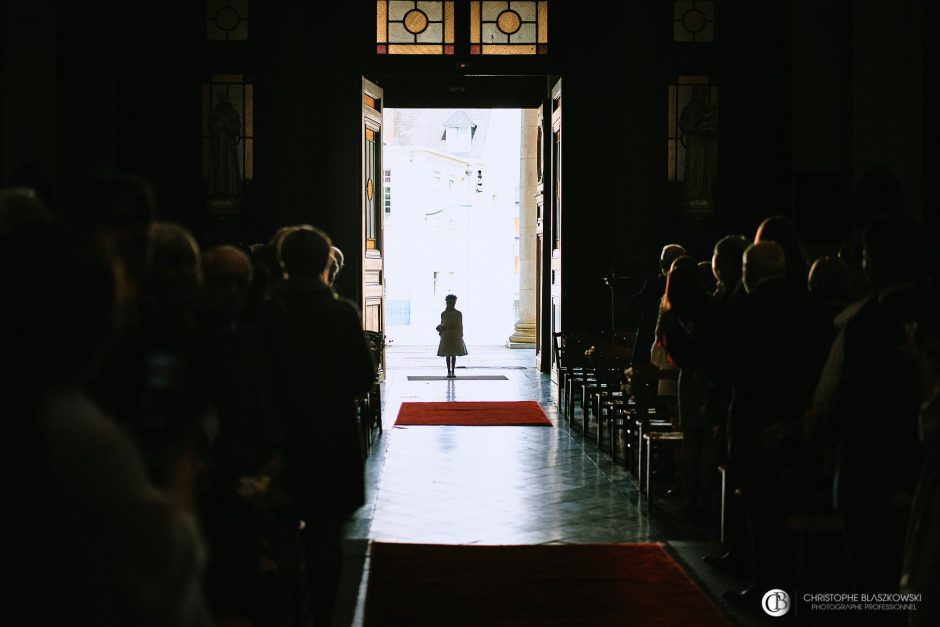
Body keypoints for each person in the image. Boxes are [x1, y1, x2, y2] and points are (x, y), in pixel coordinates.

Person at [679, 85, 718, 211]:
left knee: (703, 170)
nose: (703, 96)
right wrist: (696, 127)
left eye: (704, 94)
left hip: (704, 145)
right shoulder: (688, 110)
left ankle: (702, 195)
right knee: (694, 169)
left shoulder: (706, 111)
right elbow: (685, 126)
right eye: (701, 93)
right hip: (694, 146)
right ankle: (693, 195)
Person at [437, 294, 468, 378]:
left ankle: (452, 371)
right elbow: (443, 323)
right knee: (449, 354)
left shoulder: (457, 313)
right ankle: (450, 371)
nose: (453, 303)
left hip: (452, 334)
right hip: (449, 334)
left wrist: (460, 334)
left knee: (452, 354)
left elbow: (460, 325)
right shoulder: (445, 314)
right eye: (452, 302)